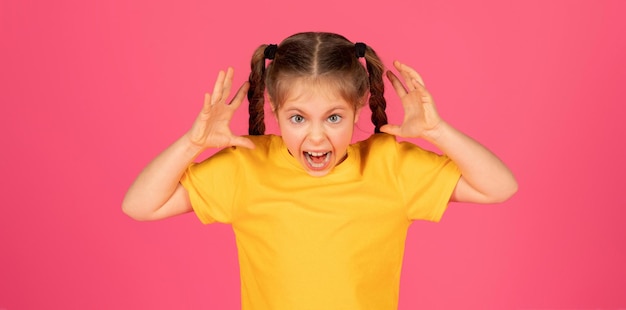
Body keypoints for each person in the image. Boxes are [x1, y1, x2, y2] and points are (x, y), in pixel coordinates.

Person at [122, 32, 517, 309]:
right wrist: (191, 144)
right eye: (297, 118)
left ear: (360, 107)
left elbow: (498, 187)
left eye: (332, 118)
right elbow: (140, 205)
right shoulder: (246, 164)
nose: (316, 137)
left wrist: (438, 131)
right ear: (275, 109)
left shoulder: (390, 165)